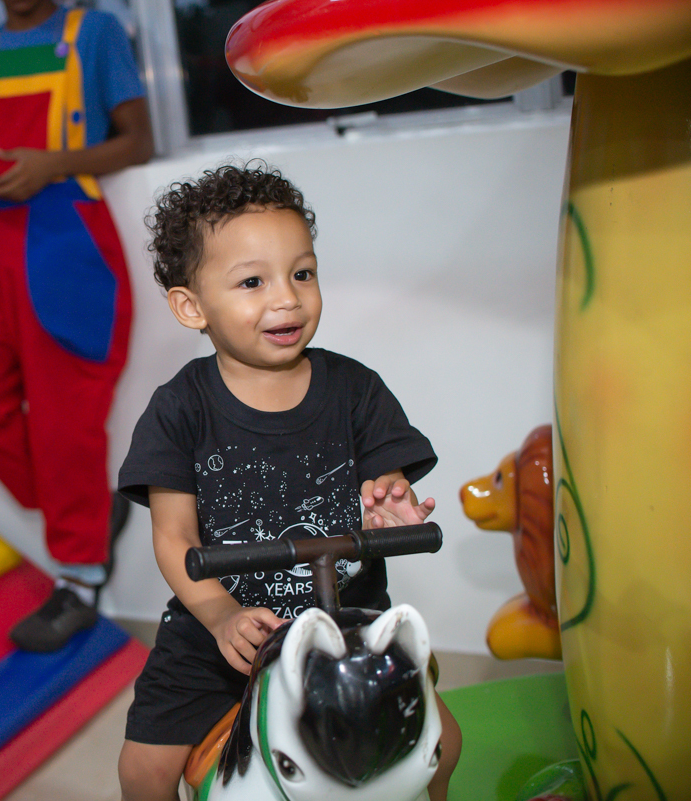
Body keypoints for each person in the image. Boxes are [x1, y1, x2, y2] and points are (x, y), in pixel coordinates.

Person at [115, 163, 461, 801]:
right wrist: (220, 615)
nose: (287, 299)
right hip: (220, 630)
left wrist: (392, 510)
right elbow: (174, 538)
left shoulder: (355, 389)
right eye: (253, 282)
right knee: (144, 771)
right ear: (192, 306)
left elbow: (387, 486)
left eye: (302, 273)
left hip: (345, 622)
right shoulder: (179, 409)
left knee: (444, 745)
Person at [0, 0, 153, 652]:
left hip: (68, 240)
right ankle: (86, 511)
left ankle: (80, 581)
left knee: (67, 422)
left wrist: (52, 163)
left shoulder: (94, 32)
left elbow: (138, 142)